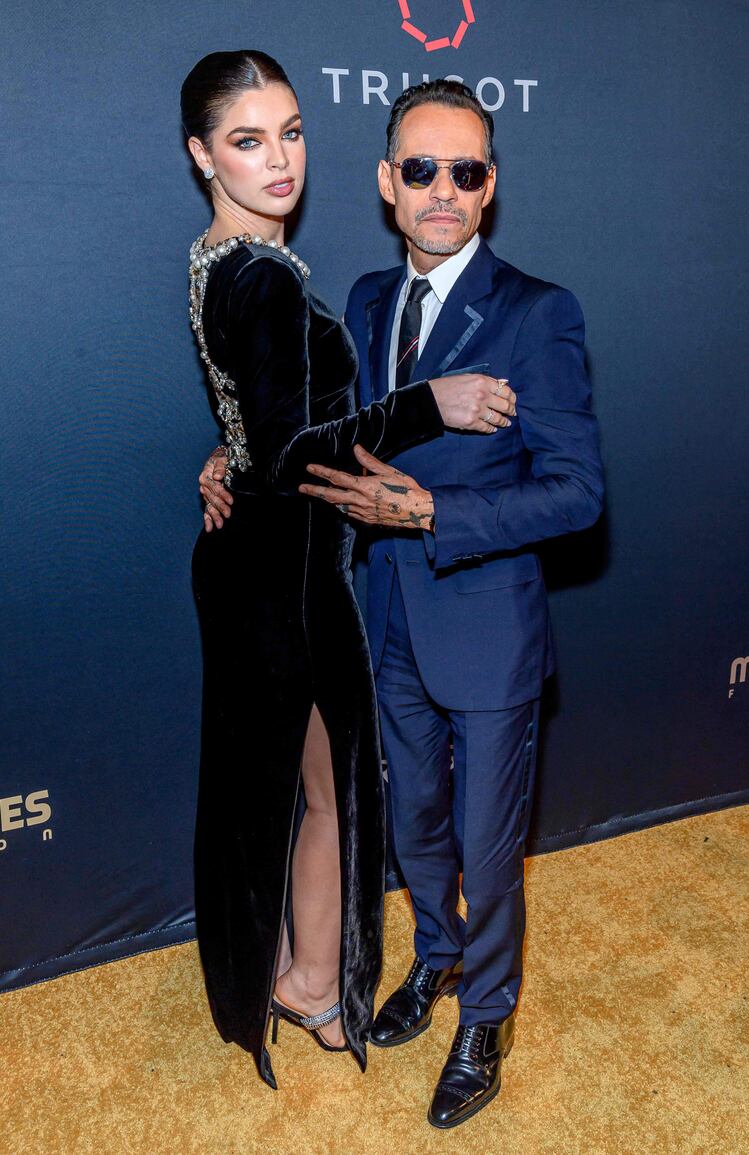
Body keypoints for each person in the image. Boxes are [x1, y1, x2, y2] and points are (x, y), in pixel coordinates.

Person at [181, 55, 516, 1091]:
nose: (279, 159)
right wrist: (428, 404)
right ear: (202, 154)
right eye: (247, 140)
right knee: (325, 795)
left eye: (289, 132)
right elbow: (291, 450)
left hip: (251, 559)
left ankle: (295, 972)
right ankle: (311, 984)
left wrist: (232, 451)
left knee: (273, 789)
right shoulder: (268, 277)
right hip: (288, 575)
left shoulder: (214, 258)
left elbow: (262, 418)